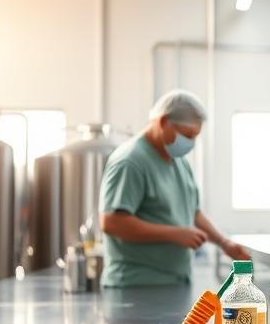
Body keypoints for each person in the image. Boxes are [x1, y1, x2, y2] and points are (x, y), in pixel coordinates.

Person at [99, 89, 250, 287]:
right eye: (186, 135)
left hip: (175, 281)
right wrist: (175, 234)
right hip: (136, 285)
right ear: (162, 122)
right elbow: (112, 222)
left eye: (195, 137)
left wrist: (224, 243)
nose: (190, 143)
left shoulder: (178, 161)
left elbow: (192, 212)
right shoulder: (130, 162)